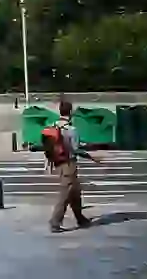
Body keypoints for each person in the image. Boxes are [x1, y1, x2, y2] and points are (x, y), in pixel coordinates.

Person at [43, 99, 102, 233]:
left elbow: (48, 145)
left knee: (75, 191)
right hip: (69, 164)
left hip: (58, 162)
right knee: (66, 193)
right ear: (71, 112)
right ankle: (55, 222)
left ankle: (80, 218)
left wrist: (48, 163)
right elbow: (76, 149)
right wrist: (92, 157)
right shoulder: (72, 129)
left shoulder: (53, 125)